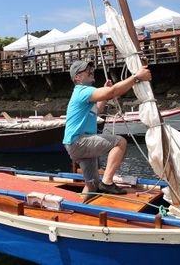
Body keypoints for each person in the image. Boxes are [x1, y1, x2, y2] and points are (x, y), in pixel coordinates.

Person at [63, 61, 152, 201]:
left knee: (91, 186)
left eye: (91, 69)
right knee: (120, 142)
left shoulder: (85, 96)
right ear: (77, 78)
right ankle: (107, 182)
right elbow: (112, 92)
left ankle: (78, 207)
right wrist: (136, 77)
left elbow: (98, 110)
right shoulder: (82, 91)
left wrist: (104, 93)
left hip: (76, 144)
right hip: (79, 141)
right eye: (87, 70)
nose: (91, 71)